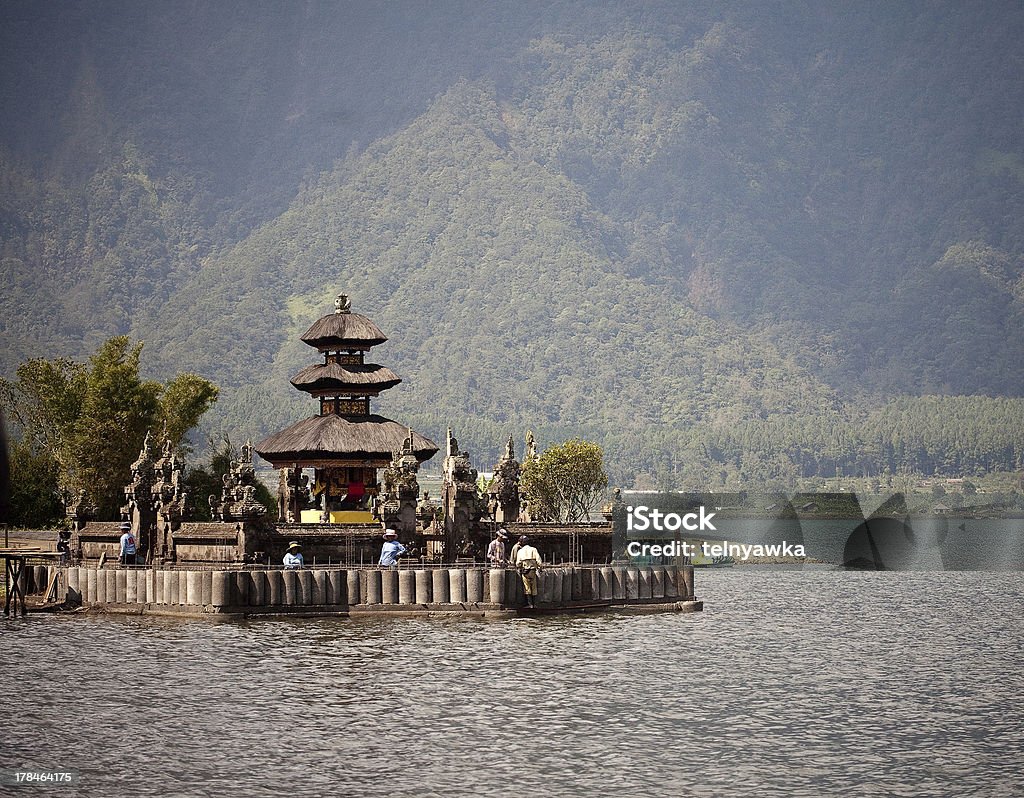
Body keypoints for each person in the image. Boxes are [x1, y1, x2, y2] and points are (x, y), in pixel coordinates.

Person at [514, 535, 543, 608]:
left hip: (525, 571)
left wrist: (519, 567)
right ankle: (535, 604)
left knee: (527, 587)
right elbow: (539, 561)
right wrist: (540, 568)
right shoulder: (533, 549)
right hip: (533, 571)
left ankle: (530, 604)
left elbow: (518, 563)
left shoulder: (520, 551)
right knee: (534, 587)